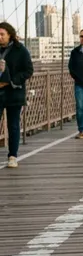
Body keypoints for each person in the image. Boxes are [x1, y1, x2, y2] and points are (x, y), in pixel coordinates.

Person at [0, 22, 34, 169]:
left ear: (10, 35)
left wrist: (12, 81)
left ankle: (12, 156)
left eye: (2, 34)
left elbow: (28, 70)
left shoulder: (21, 50)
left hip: (14, 92)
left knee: (13, 125)